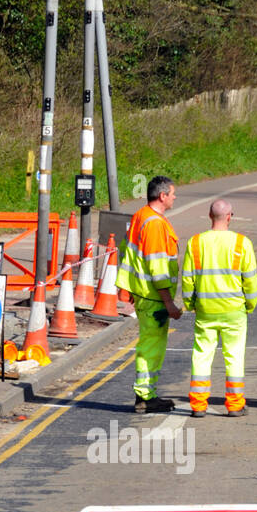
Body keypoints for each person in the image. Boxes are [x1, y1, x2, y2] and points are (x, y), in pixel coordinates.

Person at [181, 199, 257, 417]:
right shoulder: (242, 243)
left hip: (205, 309)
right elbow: (250, 280)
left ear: (209, 215)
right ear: (230, 216)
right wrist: (250, 304)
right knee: (234, 356)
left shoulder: (195, 242)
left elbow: (187, 280)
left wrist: (189, 304)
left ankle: (198, 405)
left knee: (202, 355)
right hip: (234, 310)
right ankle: (234, 405)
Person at [116, 176, 182, 413]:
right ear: (162, 196)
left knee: (149, 343)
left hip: (144, 293)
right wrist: (169, 303)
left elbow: (127, 253)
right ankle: (145, 395)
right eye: (173, 193)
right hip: (154, 297)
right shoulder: (154, 223)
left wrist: (132, 287)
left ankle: (146, 393)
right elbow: (157, 267)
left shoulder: (140, 216)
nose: (175, 197)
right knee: (152, 346)